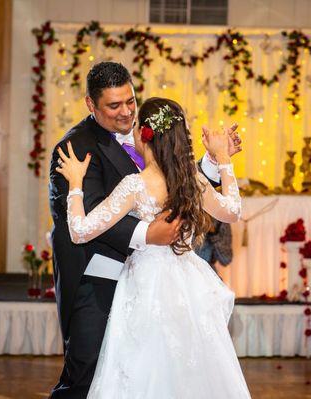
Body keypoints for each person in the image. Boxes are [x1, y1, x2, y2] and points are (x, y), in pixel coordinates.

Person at [48, 62, 241, 398]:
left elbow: (173, 180)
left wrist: (212, 163)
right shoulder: (76, 147)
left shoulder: (145, 135)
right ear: (90, 105)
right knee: (87, 374)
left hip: (158, 283)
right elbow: (83, 220)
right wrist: (146, 234)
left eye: (130, 102)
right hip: (99, 279)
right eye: (114, 105)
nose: (126, 114)